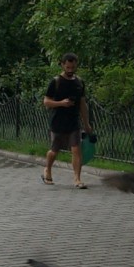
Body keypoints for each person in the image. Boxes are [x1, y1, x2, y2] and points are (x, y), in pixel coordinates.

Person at [42, 53, 92, 188]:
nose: (70, 70)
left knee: (76, 149)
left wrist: (86, 123)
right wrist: (61, 103)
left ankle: (77, 179)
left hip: (73, 122)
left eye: (73, 67)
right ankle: (47, 169)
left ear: (76, 65)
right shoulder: (56, 81)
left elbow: (82, 104)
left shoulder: (79, 83)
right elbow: (46, 101)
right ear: (63, 65)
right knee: (54, 150)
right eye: (68, 67)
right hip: (57, 121)